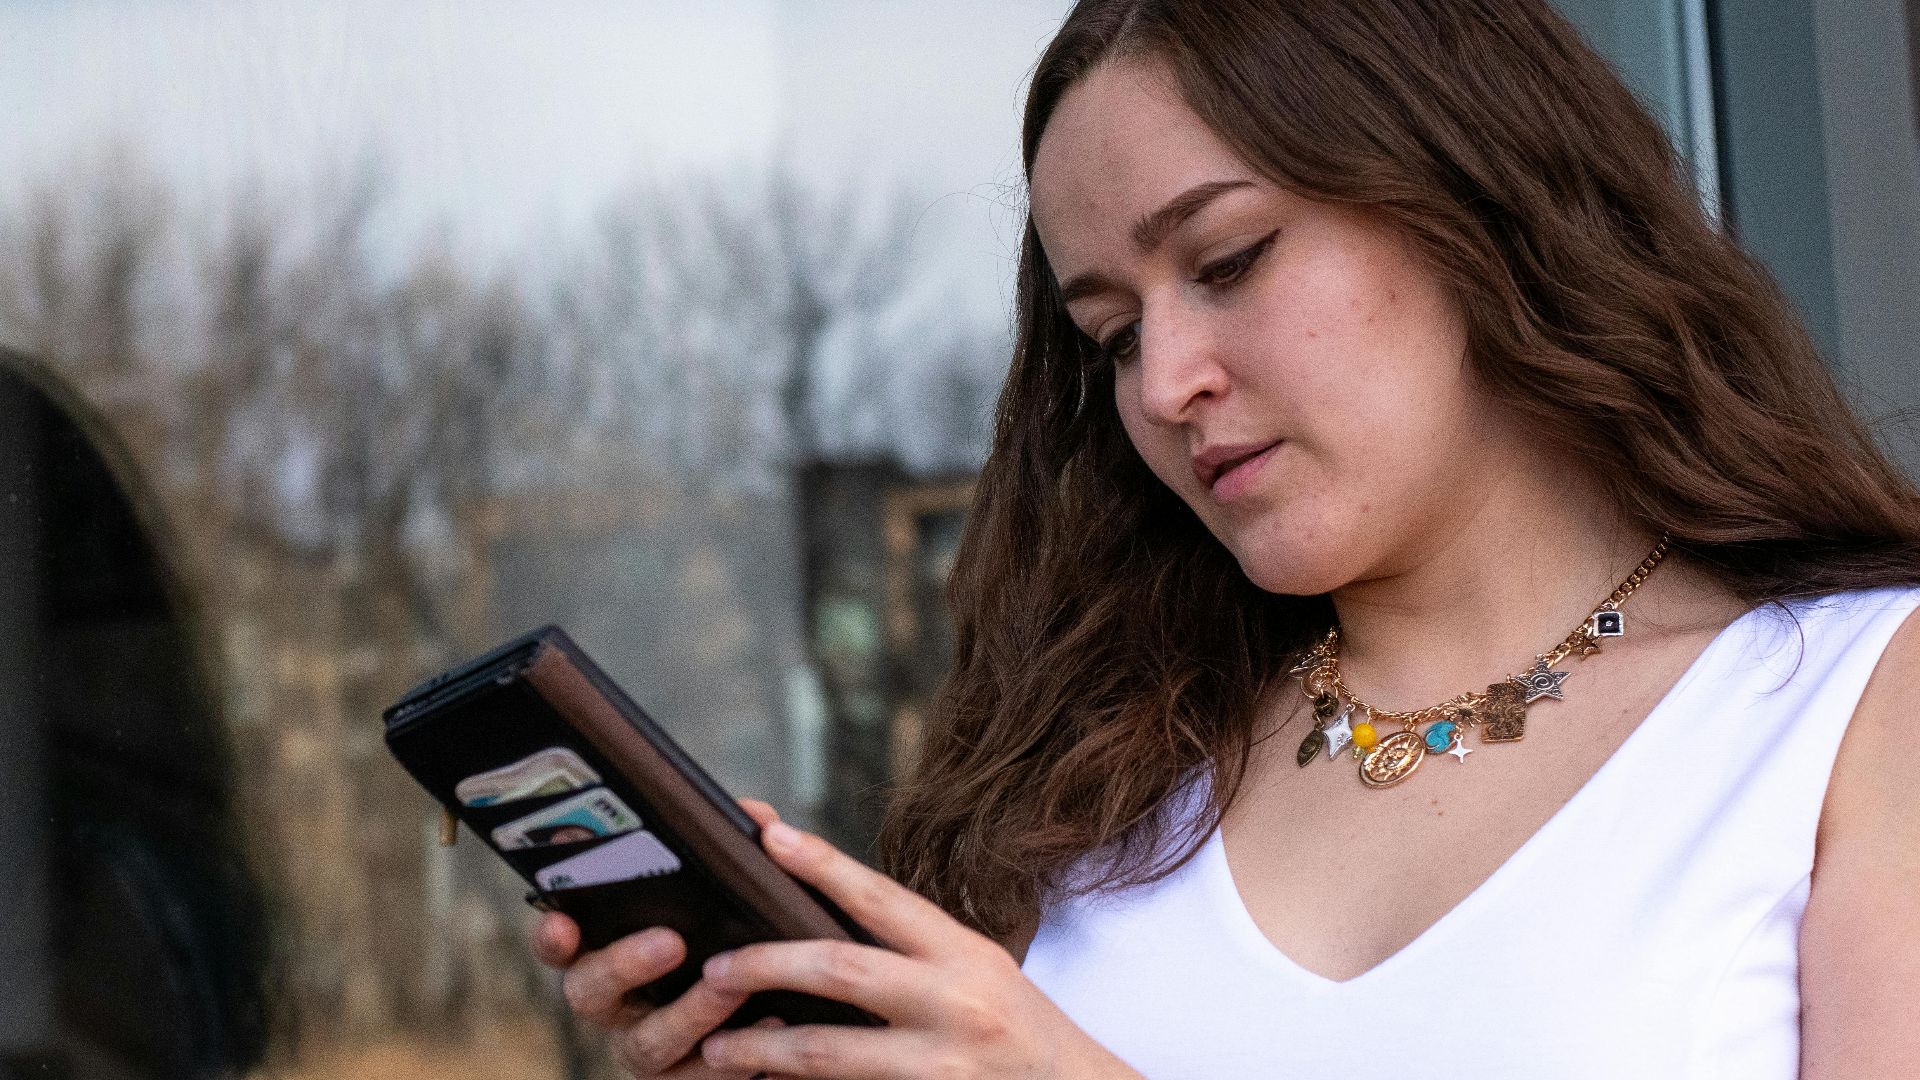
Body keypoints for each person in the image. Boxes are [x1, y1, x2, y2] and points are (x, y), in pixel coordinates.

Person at [528, 1, 1920, 1076]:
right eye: (1113, 335)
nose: (1163, 381)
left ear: (1477, 204)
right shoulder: (1095, 784)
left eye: (1231, 259)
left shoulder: (1857, 705)